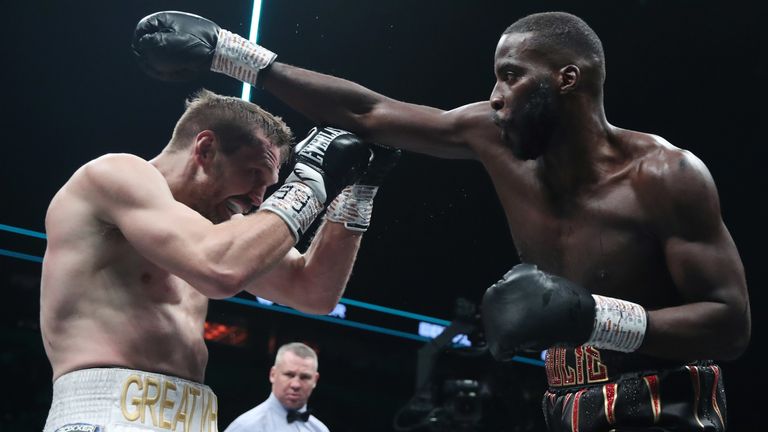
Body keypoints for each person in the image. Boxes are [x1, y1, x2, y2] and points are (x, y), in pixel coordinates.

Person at [132, 10, 751, 431]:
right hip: (563, 398)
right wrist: (230, 54)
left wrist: (595, 316)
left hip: (665, 399)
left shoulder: (665, 176)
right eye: (494, 78)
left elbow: (730, 324)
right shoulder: (490, 134)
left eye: (512, 76)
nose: (497, 94)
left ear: (568, 79)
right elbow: (369, 111)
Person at [40, 87, 400, 432]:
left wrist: (355, 194)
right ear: (206, 148)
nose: (259, 198)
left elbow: (313, 292)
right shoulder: (115, 175)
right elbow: (219, 271)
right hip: (104, 415)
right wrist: (309, 182)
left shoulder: (221, 230)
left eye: (270, 184)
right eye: (255, 173)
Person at [224, 342, 329, 432]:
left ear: (315, 380)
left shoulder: (320, 429)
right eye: (289, 375)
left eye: (305, 377)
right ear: (273, 374)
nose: (296, 385)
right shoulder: (246, 426)